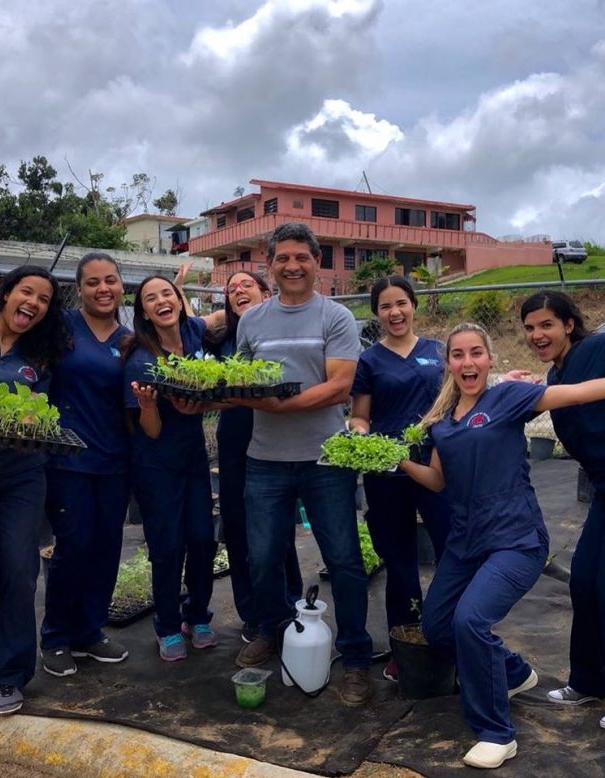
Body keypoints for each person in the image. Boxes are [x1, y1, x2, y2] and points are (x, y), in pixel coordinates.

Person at [399, 321, 605, 769]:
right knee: (437, 628)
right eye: (458, 355)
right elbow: (437, 480)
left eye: (476, 353)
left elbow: (581, 392)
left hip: (515, 539)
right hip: (466, 541)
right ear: (448, 364)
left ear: (490, 359)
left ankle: (496, 731)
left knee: (470, 621)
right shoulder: (441, 422)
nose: (467, 362)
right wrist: (394, 458)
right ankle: (512, 672)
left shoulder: (507, 399)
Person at [233, 222, 374, 707]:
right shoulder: (251, 320)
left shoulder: (335, 317)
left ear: (317, 263)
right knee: (263, 556)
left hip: (325, 460)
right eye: (283, 258)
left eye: (303, 257)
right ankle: (273, 629)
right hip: (265, 459)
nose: (292, 266)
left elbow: (339, 386)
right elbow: (240, 380)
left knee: (344, 561)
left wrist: (277, 406)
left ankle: (355, 657)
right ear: (268, 264)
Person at [349, 275, 450, 682]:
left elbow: (454, 402)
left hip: (438, 464)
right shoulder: (370, 360)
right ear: (377, 313)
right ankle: (404, 645)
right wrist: (359, 434)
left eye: (401, 303)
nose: (395, 312)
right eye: (386, 306)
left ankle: (447, 635)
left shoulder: (437, 353)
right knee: (400, 559)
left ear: (414, 305)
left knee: (450, 549)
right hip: (387, 469)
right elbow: (360, 415)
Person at [0, 266, 67, 715]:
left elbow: (39, 411)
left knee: (18, 574)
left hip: (21, 477)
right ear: (7, 292)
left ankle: (10, 674)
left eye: (44, 300)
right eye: (26, 292)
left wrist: (31, 421)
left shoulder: (41, 356)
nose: (33, 303)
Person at [40, 253, 131, 677]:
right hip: (68, 459)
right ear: (80, 288)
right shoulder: (61, 329)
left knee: (106, 547)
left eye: (109, 280)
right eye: (92, 282)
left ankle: (90, 631)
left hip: (115, 460)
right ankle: (56, 636)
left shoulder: (130, 339)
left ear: (121, 286)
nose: (102, 289)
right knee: (74, 546)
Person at [520, 291, 605, 726]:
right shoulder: (556, 377)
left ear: (569, 325)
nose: (538, 334)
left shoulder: (595, 349)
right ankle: (590, 681)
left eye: (547, 324)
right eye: (531, 327)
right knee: (585, 582)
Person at [124, 276, 216, 661]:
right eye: (151, 298)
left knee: (203, 541)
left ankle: (196, 616)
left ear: (179, 300)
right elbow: (151, 431)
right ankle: (166, 624)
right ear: (143, 311)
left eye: (167, 294)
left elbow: (212, 318)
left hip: (194, 460)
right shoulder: (141, 360)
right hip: (156, 464)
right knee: (167, 546)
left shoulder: (193, 332)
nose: (161, 301)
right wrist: (148, 407)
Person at [210, 270, 303, 643]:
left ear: (267, 292)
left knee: (277, 530)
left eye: (246, 285)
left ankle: (289, 602)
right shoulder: (222, 339)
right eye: (231, 289)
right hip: (236, 439)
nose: (238, 291)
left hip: (278, 438)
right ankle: (252, 613)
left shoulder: (280, 331)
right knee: (237, 526)